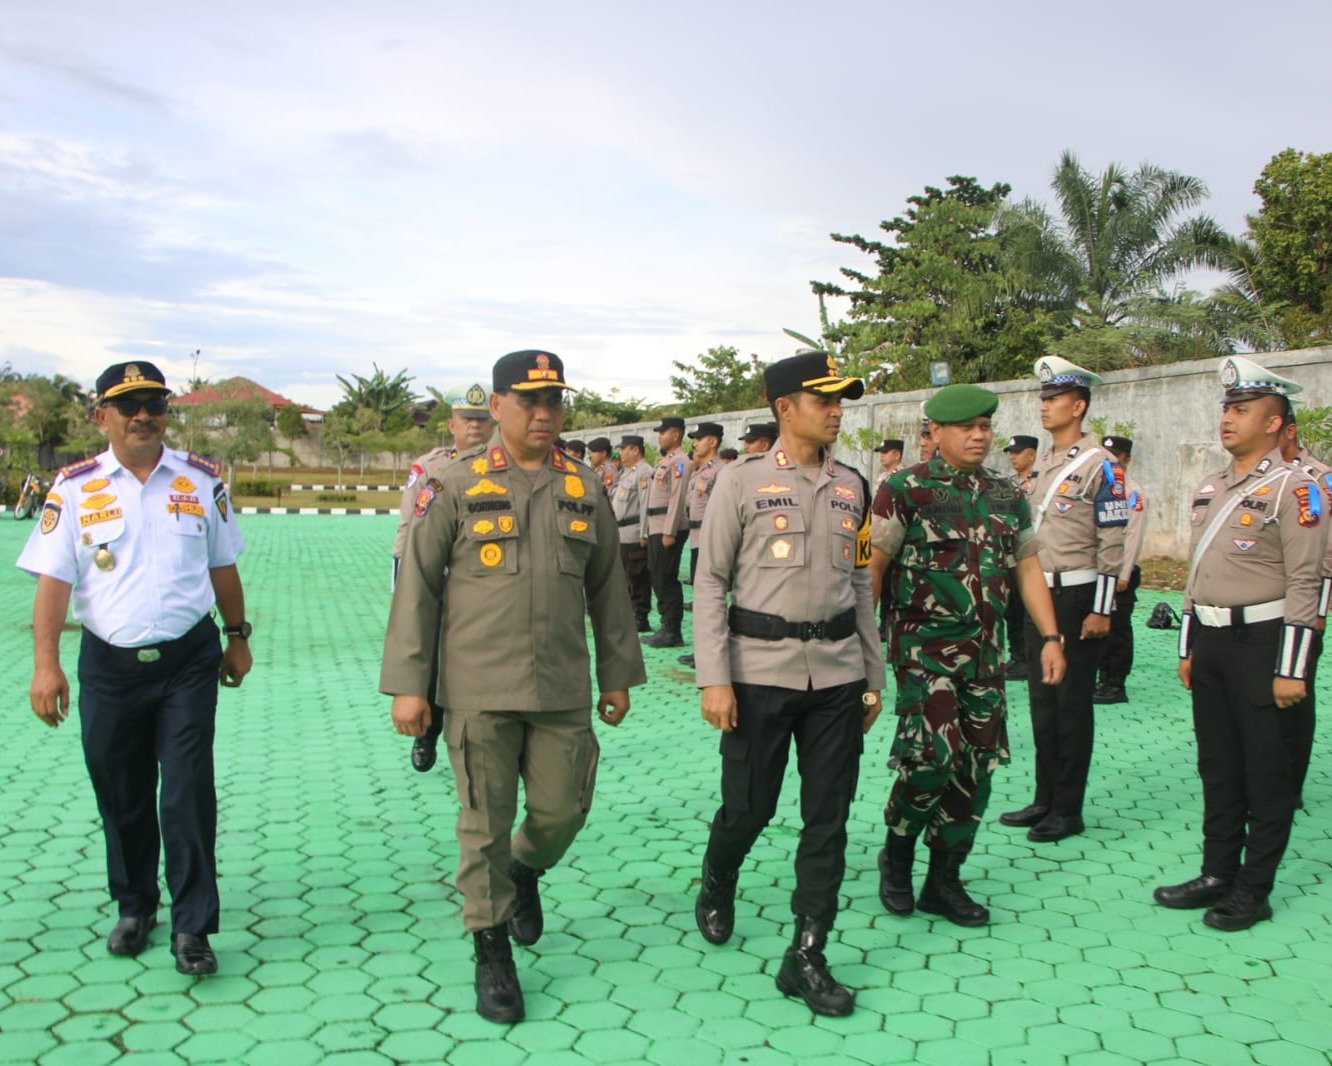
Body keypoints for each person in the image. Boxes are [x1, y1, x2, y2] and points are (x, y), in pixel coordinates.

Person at [381, 349, 647, 1023]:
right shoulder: (453, 483)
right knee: (483, 826)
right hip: (477, 686)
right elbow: (417, 588)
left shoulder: (585, 486)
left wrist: (617, 674)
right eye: (528, 401)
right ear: (496, 406)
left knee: (562, 813)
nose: (543, 413)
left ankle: (524, 873)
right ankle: (491, 950)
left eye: (554, 401)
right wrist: (411, 686)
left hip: (561, 686)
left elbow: (609, 591)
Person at [19, 361, 251, 977]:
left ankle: (193, 926)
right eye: (129, 405)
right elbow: (53, 583)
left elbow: (223, 565)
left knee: (185, 793)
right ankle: (135, 905)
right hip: (108, 667)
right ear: (103, 417)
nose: (144, 414)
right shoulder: (72, 489)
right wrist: (47, 665)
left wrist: (237, 636)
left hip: (188, 662)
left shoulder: (201, 482)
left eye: (155, 402)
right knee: (120, 793)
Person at [692, 351, 885, 1017]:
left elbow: (860, 585)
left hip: (836, 676)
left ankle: (807, 950)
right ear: (784, 408)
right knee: (749, 807)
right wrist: (713, 679)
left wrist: (872, 675)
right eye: (824, 399)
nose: (837, 410)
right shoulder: (739, 483)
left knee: (826, 817)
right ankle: (720, 874)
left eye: (842, 400)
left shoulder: (852, 485)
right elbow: (710, 582)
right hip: (758, 676)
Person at [870, 385, 1065, 927]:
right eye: (965, 427)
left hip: (985, 657)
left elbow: (1028, 567)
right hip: (922, 654)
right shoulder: (903, 489)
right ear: (934, 432)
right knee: (932, 758)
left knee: (977, 766)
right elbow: (874, 569)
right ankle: (898, 854)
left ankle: (944, 880)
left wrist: (1050, 637)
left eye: (985, 425)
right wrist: (863, 653)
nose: (979, 436)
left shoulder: (1006, 493)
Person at [1156, 356, 1326, 931]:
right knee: (1219, 765)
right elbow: (1194, 575)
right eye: (1226, 408)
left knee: (1267, 772)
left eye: (1242, 410)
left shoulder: (1297, 489)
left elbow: (1309, 582)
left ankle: (1254, 888)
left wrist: (1294, 668)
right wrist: (1187, 646)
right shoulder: (1211, 487)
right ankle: (1216, 872)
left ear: (1276, 423)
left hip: (1265, 642)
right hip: (1212, 642)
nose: (1228, 419)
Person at [999, 356, 1127, 844]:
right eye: (1043, 398)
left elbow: (1113, 541)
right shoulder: (1045, 463)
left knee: (1072, 703)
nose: (1045, 406)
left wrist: (1102, 607)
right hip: (1040, 595)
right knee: (1041, 701)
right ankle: (1044, 797)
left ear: (1079, 406)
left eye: (1053, 399)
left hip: (1077, 595)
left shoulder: (1102, 465)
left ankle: (1068, 809)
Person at [392, 382, 495, 772]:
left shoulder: (508, 465)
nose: (475, 427)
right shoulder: (429, 468)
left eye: (483, 419)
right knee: (433, 659)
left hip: (487, 583)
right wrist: (401, 588)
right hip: (439, 581)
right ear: (451, 424)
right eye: (467, 419)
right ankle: (427, 733)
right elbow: (407, 529)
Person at [1280, 415, 1332, 806]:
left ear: (1289, 430)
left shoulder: (1319, 479)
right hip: (1259, 604)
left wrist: (1319, 608)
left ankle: (1290, 783)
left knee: (1296, 695)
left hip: (1303, 605)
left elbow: (1328, 553)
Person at [1093, 436, 1147, 705]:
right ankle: (1102, 678)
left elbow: (1133, 535)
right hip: (1100, 570)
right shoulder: (1101, 487)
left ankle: (1115, 683)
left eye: (1115, 455)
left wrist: (1123, 574)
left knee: (1117, 630)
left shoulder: (1132, 492)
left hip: (1120, 574)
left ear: (1126, 459)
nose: (1110, 459)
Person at [680, 422, 724, 667]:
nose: (695, 442)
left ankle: (709, 655)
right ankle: (701, 651)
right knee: (700, 598)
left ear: (713, 442)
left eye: (699, 438)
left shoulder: (720, 471)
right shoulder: (700, 471)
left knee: (709, 599)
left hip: (709, 540)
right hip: (696, 540)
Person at [644, 415, 691, 647]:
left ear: (675, 434)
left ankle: (672, 630)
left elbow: (677, 497)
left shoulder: (680, 462)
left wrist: (669, 531)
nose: (660, 437)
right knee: (656, 574)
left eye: (663, 433)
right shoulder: (665, 461)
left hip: (667, 526)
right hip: (656, 525)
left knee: (666, 577)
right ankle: (666, 625)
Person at [1002, 435, 1040, 680]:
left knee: (1030, 610)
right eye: (1011, 453)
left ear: (1032, 455)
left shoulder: (1041, 482)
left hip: (1032, 554)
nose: (1013, 457)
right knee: (1011, 609)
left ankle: (1029, 656)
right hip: (1010, 555)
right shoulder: (1008, 483)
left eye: (1018, 452)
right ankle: (1017, 656)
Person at [612, 434, 654, 632]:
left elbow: (646, 504)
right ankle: (630, 611)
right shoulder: (627, 473)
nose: (621, 452)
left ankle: (640, 616)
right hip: (621, 533)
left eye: (624, 448)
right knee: (626, 576)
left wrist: (645, 533)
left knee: (637, 575)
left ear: (635, 450)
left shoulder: (644, 473)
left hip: (634, 531)